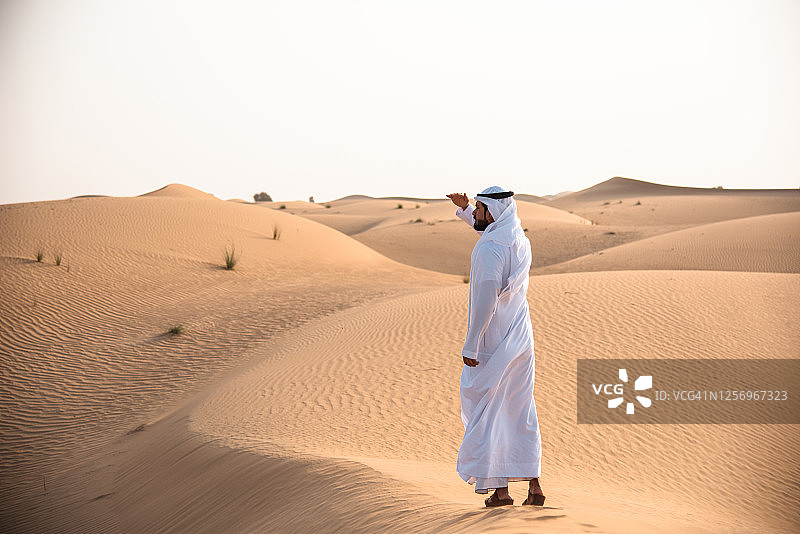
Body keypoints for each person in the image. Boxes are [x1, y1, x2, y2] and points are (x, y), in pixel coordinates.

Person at [446, 187, 545, 508]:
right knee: (519, 408)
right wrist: (465, 210)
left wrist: (472, 344)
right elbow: (491, 234)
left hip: (493, 340)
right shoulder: (519, 239)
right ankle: (534, 485)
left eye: (479, 208)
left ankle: (501, 491)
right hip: (520, 336)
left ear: (492, 212)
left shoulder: (490, 248)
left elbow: (486, 298)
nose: (476, 213)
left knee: (487, 409)